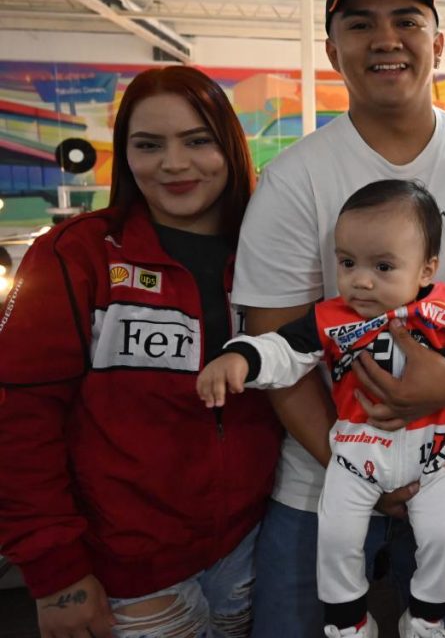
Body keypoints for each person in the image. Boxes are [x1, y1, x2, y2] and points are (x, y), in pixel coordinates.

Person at [233, 0, 445, 638]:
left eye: (406, 21)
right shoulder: (294, 178)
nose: (386, 39)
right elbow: (277, 345)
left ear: (437, 44)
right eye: (361, 25)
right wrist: (356, 469)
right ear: (333, 52)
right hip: (321, 478)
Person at [0, 65, 281, 638]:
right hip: (125, 570)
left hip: (250, 548)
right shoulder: (75, 255)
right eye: (149, 145)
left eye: (197, 141)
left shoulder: (272, 253)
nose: (173, 164)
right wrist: (56, 573)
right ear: (125, 156)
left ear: (229, 148)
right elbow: (19, 420)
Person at [199, 179, 445, 637]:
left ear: (426, 270)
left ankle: (426, 618)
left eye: (383, 266)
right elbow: (283, 349)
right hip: (356, 451)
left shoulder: (441, 304)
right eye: (347, 263)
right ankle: (348, 623)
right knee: (337, 537)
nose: (360, 280)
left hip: (434, 452)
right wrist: (241, 357)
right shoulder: (329, 318)